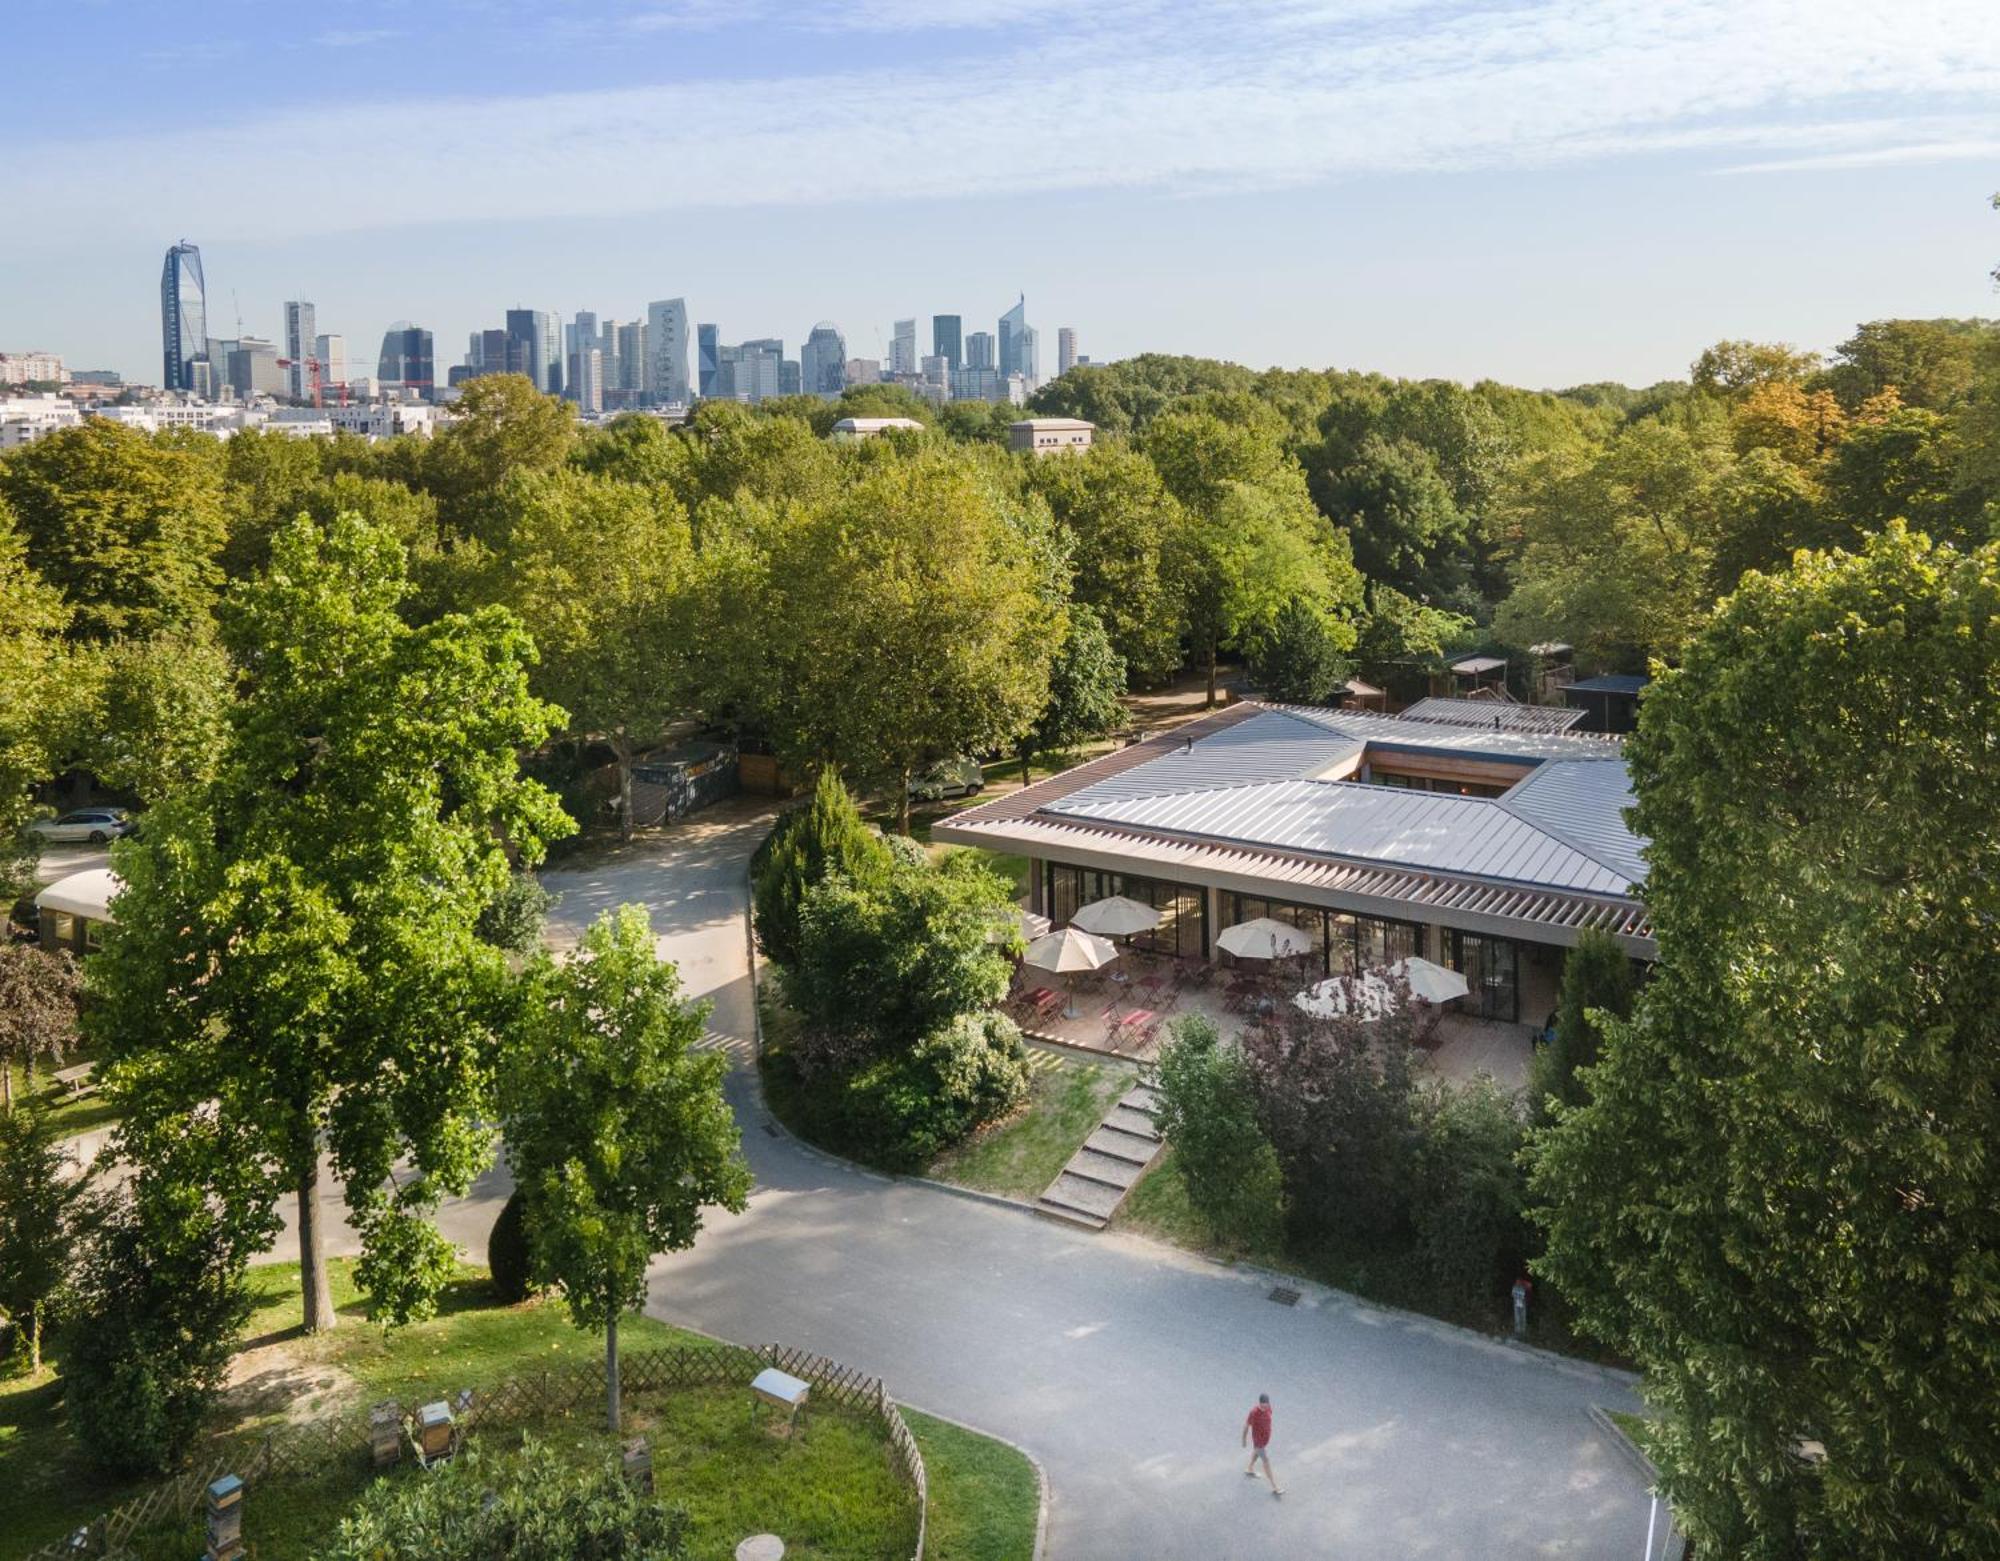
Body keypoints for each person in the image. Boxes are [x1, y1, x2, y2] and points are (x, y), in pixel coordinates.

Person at [1242, 1392, 1281, 1496]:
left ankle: (1249, 1468)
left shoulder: (1269, 1408)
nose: (1265, 1407)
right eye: (1263, 1405)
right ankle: (1275, 1486)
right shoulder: (1254, 1412)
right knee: (1266, 1461)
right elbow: (1246, 1426)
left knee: (1255, 1454)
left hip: (1264, 1440)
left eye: (1266, 1405)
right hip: (1258, 1441)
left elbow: (1268, 1419)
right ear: (1260, 1403)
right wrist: (1244, 1440)